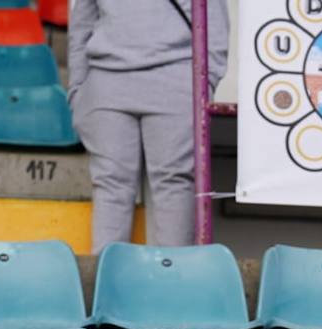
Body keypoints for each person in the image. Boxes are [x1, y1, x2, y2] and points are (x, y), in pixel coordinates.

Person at [68, 0, 229, 250]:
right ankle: (105, 281)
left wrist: (204, 84)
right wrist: (78, 90)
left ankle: (172, 281)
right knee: (112, 186)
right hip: (106, 83)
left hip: (176, 81)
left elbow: (214, 23)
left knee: (173, 184)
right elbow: (82, 23)